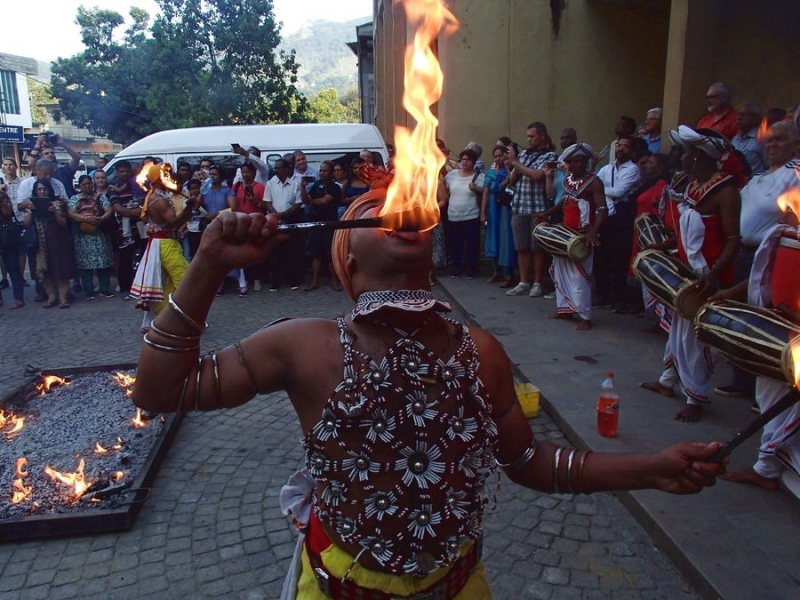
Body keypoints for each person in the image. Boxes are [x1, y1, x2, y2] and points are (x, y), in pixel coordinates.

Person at [131, 185, 726, 600]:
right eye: (376, 210)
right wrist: (207, 262)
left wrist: (649, 468)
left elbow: (528, 461)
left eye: (408, 206)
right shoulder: (302, 344)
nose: (401, 209)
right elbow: (161, 391)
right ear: (350, 261)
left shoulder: (481, 348)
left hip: (458, 586)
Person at [640, 126, 741, 422]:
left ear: (698, 156)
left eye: (685, 153)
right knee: (676, 333)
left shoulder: (726, 191)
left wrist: (715, 273)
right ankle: (668, 381)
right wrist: (664, 245)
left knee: (697, 339)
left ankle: (695, 397)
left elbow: (733, 240)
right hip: (686, 271)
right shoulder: (690, 186)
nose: (680, 158)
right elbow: (684, 232)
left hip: (707, 275)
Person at [713, 121, 800, 399]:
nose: (772, 145)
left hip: (769, 258)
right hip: (742, 253)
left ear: (796, 145)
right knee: (743, 318)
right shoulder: (760, 175)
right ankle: (743, 380)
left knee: (765, 323)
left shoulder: (795, 174)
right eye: (770, 140)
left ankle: (767, 388)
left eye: (781, 140)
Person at [540, 143, 605, 330]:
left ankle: (585, 316)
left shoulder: (594, 182)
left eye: (582, 161)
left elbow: (602, 209)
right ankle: (565, 310)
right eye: (574, 161)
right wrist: (547, 213)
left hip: (583, 236)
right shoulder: (568, 180)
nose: (579, 164)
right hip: (566, 233)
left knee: (580, 278)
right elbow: (564, 202)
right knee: (560, 274)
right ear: (567, 164)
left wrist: (593, 231)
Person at [131, 164, 198, 331]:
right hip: (165, 244)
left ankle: (159, 318)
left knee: (163, 282)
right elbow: (174, 222)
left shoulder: (157, 195)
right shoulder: (159, 200)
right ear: (159, 179)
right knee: (185, 278)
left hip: (162, 243)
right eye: (166, 175)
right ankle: (183, 317)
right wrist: (189, 207)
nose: (170, 177)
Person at [505, 122, 558, 297]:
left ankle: (537, 282)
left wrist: (516, 163)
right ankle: (523, 282)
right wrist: (513, 164)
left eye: (532, 136)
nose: (528, 139)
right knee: (522, 247)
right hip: (519, 205)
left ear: (542, 136)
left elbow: (536, 176)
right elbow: (513, 179)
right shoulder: (525, 154)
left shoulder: (550, 155)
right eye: (527, 136)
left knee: (537, 248)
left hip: (538, 207)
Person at [594, 136, 641, 312]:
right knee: (601, 259)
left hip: (619, 219)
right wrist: (602, 191)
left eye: (625, 146)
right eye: (619, 145)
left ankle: (619, 298)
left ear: (632, 150)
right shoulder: (607, 168)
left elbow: (620, 191)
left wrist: (600, 191)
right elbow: (593, 186)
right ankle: (603, 295)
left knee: (618, 259)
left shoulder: (633, 169)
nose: (621, 149)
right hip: (603, 217)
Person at [27, 179, 77, 308]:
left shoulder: (57, 203)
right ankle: (51, 297)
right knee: (44, 271)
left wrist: (55, 211)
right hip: (40, 243)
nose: (42, 192)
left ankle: (63, 298)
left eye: (44, 189)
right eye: (39, 189)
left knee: (61, 270)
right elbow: (26, 224)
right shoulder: (31, 204)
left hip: (58, 241)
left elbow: (63, 224)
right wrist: (28, 211)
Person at [66, 174, 116, 300]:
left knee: (103, 262)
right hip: (82, 237)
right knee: (84, 264)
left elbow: (109, 210)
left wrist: (100, 219)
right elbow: (71, 213)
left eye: (89, 183)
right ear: (80, 186)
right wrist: (84, 219)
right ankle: (89, 291)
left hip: (100, 235)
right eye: (84, 184)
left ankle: (105, 288)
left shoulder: (101, 197)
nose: (87, 186)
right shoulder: (74, 199)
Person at [439, 148, 483, 279]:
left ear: (473, 162)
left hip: (471, 216)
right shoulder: (452, 175)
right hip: (453, 216)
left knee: (471, 245)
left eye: (468, 160)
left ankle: (471, 270)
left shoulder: (479, 176)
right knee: (455, 245)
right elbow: (443, 187)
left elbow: (485, 192)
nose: (464, 162)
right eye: (463, 159)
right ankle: (456, 269)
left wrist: (476, 188)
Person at [264, 159, 304, 291]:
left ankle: (292, 280)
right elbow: (267, 202)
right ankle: (275, 281)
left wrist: (284, 214)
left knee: (291, 252)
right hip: (274, 223)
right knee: (275, 253)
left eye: (280, 168)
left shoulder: (295, 184)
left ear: (287, 169)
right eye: (275, 168)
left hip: (290, 221)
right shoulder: (270, 184)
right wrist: (276, 216)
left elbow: (298, 204)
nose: (277, 170)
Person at [108, 162, 146, 300]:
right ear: (117, 173)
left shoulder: (138, 185)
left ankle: (143, 288)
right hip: (124, 231)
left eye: (126, 171)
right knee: (125, 261)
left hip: (141, 230)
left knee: (143, 259)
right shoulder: (113, 189)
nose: (124, 174)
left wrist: (141, 211)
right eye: (121, 171)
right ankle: (125, 289)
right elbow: (118, 208)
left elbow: (146, 204)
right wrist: (136, 212)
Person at [300, 161, 341, 291]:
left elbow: (325, 201)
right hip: (316, 223)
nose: (322, 173)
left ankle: (335, 281)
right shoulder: (316, 185)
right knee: (315, 253)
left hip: (329, 223)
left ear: (331, 172)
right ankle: (314, 281)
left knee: (330, 254)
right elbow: (305, 200)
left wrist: (312, 201)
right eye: (321, 170)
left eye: (325, 171)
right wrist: (302, 187)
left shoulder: (335, 187)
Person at [480, 145, 516, 286]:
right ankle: (495, 272)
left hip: (505, 209)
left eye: (500, 155)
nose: (498, 158)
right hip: (492, 209)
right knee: (492, 238)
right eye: (495, 156)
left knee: (506, 239)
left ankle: (508, 274)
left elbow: (512, 182)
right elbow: (485, 193)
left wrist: (508, 169)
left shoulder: (511, 171)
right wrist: (483, 213)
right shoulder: (490, 173)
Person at [229, 162, 267, 294]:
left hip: (256, 222)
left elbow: (266, 206)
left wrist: (256, 202)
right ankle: (245, 280)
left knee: (255, 251)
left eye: (248, 172)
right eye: (243, 172)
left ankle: (257, 278)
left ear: (254, 173)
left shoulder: (260, 187)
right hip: (240, 223)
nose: (245, 175)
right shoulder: (236, 186)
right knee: (242, 251)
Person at [0, 186, 27, 308]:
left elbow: (8, 213)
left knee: (12, 267)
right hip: (6, 233)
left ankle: (19, 298)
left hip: (5, 234)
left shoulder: (2, 195)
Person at [731, 102, 767, 176]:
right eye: (738, 115)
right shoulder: (734, 140)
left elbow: (769, 166)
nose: (739, 118)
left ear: (757, 118)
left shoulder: (763, 139)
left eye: (744, 115)